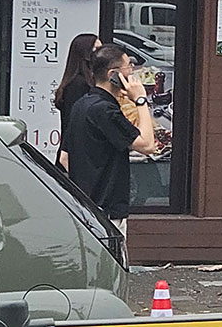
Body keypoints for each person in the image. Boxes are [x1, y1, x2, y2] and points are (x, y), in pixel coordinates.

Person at [66, 45, 161, 245]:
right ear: (113, 74)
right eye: (128, 66)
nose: (133, 71)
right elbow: (147, 144)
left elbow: (64, 157)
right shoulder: (105, 110)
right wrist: (141, 100)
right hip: (106, 208)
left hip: (86, 205)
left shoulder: (82, 104)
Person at [54, 33, 102, 171]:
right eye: (97, 49)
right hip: (76, 155)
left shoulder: (82, 81)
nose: (100, 55)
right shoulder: (78, 84)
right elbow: (73, 123)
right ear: (86, 54)